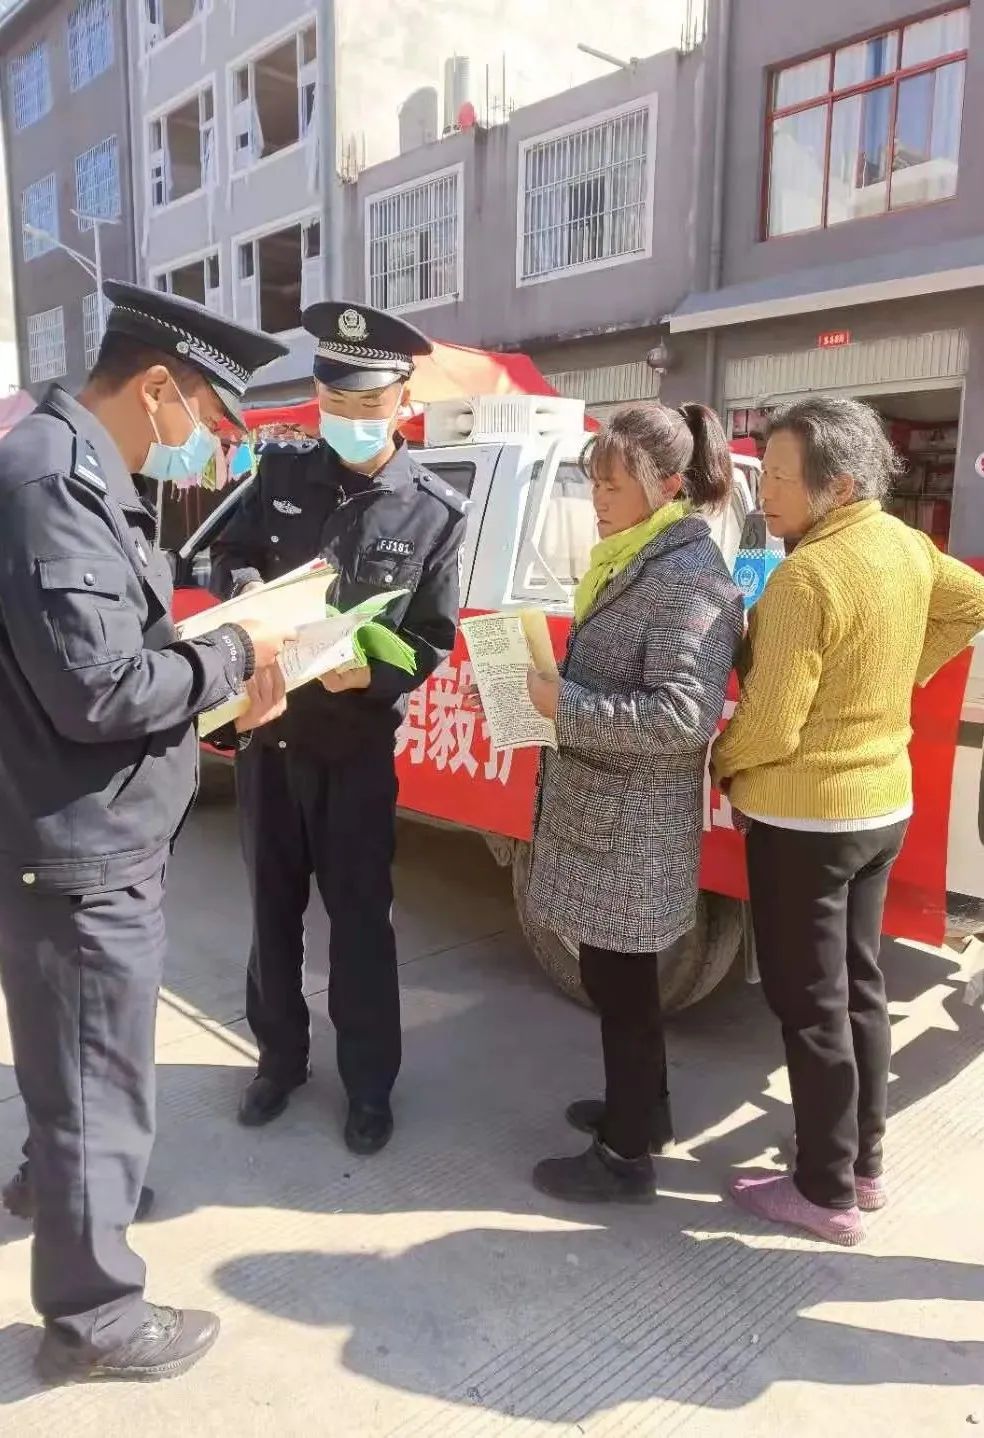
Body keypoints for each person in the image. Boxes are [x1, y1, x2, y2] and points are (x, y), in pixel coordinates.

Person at [0, 281, 295, 1384]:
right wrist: (235, 654)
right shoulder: (51, 486)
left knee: (76, 1070)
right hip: (80, 850)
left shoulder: (77, 472)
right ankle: (95, 1321)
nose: (212, 446)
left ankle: (58, 1187)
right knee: (97, 1083)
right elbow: (100, 689)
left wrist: (212, 687)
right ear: (159, 388)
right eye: (211, 420)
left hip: (89, 826)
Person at [710, 395, 984, 1246]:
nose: (767, 495)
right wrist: (896, 678)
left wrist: (723, 764)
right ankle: (863, 1165)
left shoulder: (806, 578)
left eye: (782, 478)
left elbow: (771, 725)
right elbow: (973, 602)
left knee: (809, 1005)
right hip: (881, 807)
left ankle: (823, 1190)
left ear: (842, 486)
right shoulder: (907, 546)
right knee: (861, 988)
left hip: (806, 821)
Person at [210, 301, 467, 1155]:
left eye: (367, 404)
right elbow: (229, 555)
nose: (349, 418)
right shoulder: (282, 472)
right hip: (272, 739)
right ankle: (278, 1061)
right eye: (335, 400)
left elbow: (431, 638)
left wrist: (375, 674)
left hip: (354, 752)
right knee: (271, 914)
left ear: (403, 401)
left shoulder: (433, 510)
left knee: (360, 925)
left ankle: (368, 1086)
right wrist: (252, 601)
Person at [520, 402, 744, 1204]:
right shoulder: (636, 559)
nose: (598, 501)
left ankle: (622, 1156)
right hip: (605, 809)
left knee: (621, 986)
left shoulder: (688, 579)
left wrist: (564, 705)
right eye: (594, 484)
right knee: (620, 981)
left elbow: (682, 717)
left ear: (669, 486)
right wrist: (537, 695)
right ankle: (643, 1112)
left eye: (613, 485)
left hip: (633, 821)